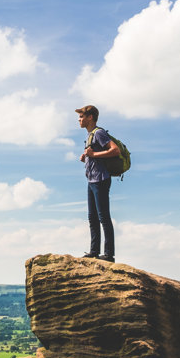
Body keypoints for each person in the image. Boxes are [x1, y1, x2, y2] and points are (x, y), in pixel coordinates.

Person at [76, 104, 119, 263]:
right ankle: (94, 251)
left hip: (100, 180)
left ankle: (109, 254)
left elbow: (115, 150)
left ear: (90, 117)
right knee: (92, 217)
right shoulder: (90, 135)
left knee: (103, 217)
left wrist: (93, 154)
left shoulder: (99, 133)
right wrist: (87, 158)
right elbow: (95, 157)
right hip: (92, 180)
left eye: (82, 117)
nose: (79, 120)